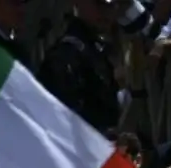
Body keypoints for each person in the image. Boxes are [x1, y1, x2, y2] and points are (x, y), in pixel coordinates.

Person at [36, 0, 122, 133]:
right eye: (99, 4)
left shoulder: (96, 48)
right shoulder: (67, 54)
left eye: (111, 5)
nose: (106, 11)